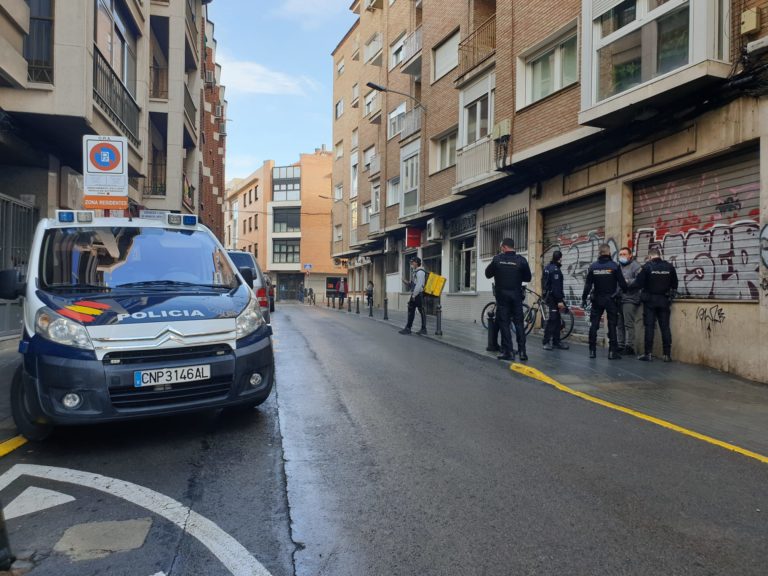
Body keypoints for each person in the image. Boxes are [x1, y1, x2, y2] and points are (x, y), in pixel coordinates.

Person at [485, 238, 532, 361]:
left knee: (504, 324)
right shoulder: (521, 260)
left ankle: (508, 352)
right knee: (519, 323)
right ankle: (522, 352)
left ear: (505, 247)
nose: (501, 249)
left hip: (502, 298)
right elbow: (528, 278)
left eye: (502, 247)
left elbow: (487, 274)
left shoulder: (497, 259)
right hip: (516, 296)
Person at [631, 247, 678, 362]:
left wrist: (628, 286)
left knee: (649, 327)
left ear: (650, 256)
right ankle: (667, 355)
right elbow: (675, 284)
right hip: (664, 300)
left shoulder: (647, 267)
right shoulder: (669, 267)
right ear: (659, 255)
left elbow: (638, 283)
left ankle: (648, 354)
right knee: (665, 327)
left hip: (650, 301)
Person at [581, 243, 627, 360]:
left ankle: (592, 351)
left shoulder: (593, 267)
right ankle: (612, 352)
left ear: (599, 253)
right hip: (611, 299)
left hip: (597, 299)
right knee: (612, 325)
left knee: (594, 325)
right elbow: (623, 285)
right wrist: (619, 293)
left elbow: (587, 285)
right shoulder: (615, 266)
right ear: (609, 252)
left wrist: (583, 298)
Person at [617, 247, 642, 355]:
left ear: (630, 255)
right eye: (620, 254)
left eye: (624, 254)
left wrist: (627, 281)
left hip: (630, 299)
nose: (622, 256)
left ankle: (629, 346)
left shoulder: (635, 266)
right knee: (619, 324)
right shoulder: (618, 267)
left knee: (628, 324)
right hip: (619, 298)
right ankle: (620, 345)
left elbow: (640, 280)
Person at [541, 250, 569, 351]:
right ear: (560, 258)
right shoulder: (555, 270)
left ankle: (556, 341)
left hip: (549, 297)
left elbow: (543, 282)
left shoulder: (547, 267)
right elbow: (556, 287)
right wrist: (560, 301)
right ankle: (546, 341)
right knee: (553, 320)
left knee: (557, 319)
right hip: (554, 298)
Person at [399, 257, 427, 335]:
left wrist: (414, 295)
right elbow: (414, 284)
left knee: (419, 311)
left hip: (418, 294)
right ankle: (410, 328)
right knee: (413, 310)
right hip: (416, 294)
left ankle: (418, 329)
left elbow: (419, 285)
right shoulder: (416, 271)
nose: (411, 264)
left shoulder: (420, 272)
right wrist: (406, 282)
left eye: (413, 262)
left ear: (416, 263)